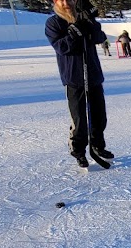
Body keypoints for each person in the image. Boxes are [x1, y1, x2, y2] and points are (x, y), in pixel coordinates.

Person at [45, 0, 114, 169]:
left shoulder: (84, 16)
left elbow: (99, 37)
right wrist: (74, 32)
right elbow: (61, 47)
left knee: (99, 117)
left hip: (93, 75)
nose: (66, 2)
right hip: (74, 78)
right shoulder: (54, 22)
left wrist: (89, 24)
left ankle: (98, 146)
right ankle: (79, 151)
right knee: (79, 119)